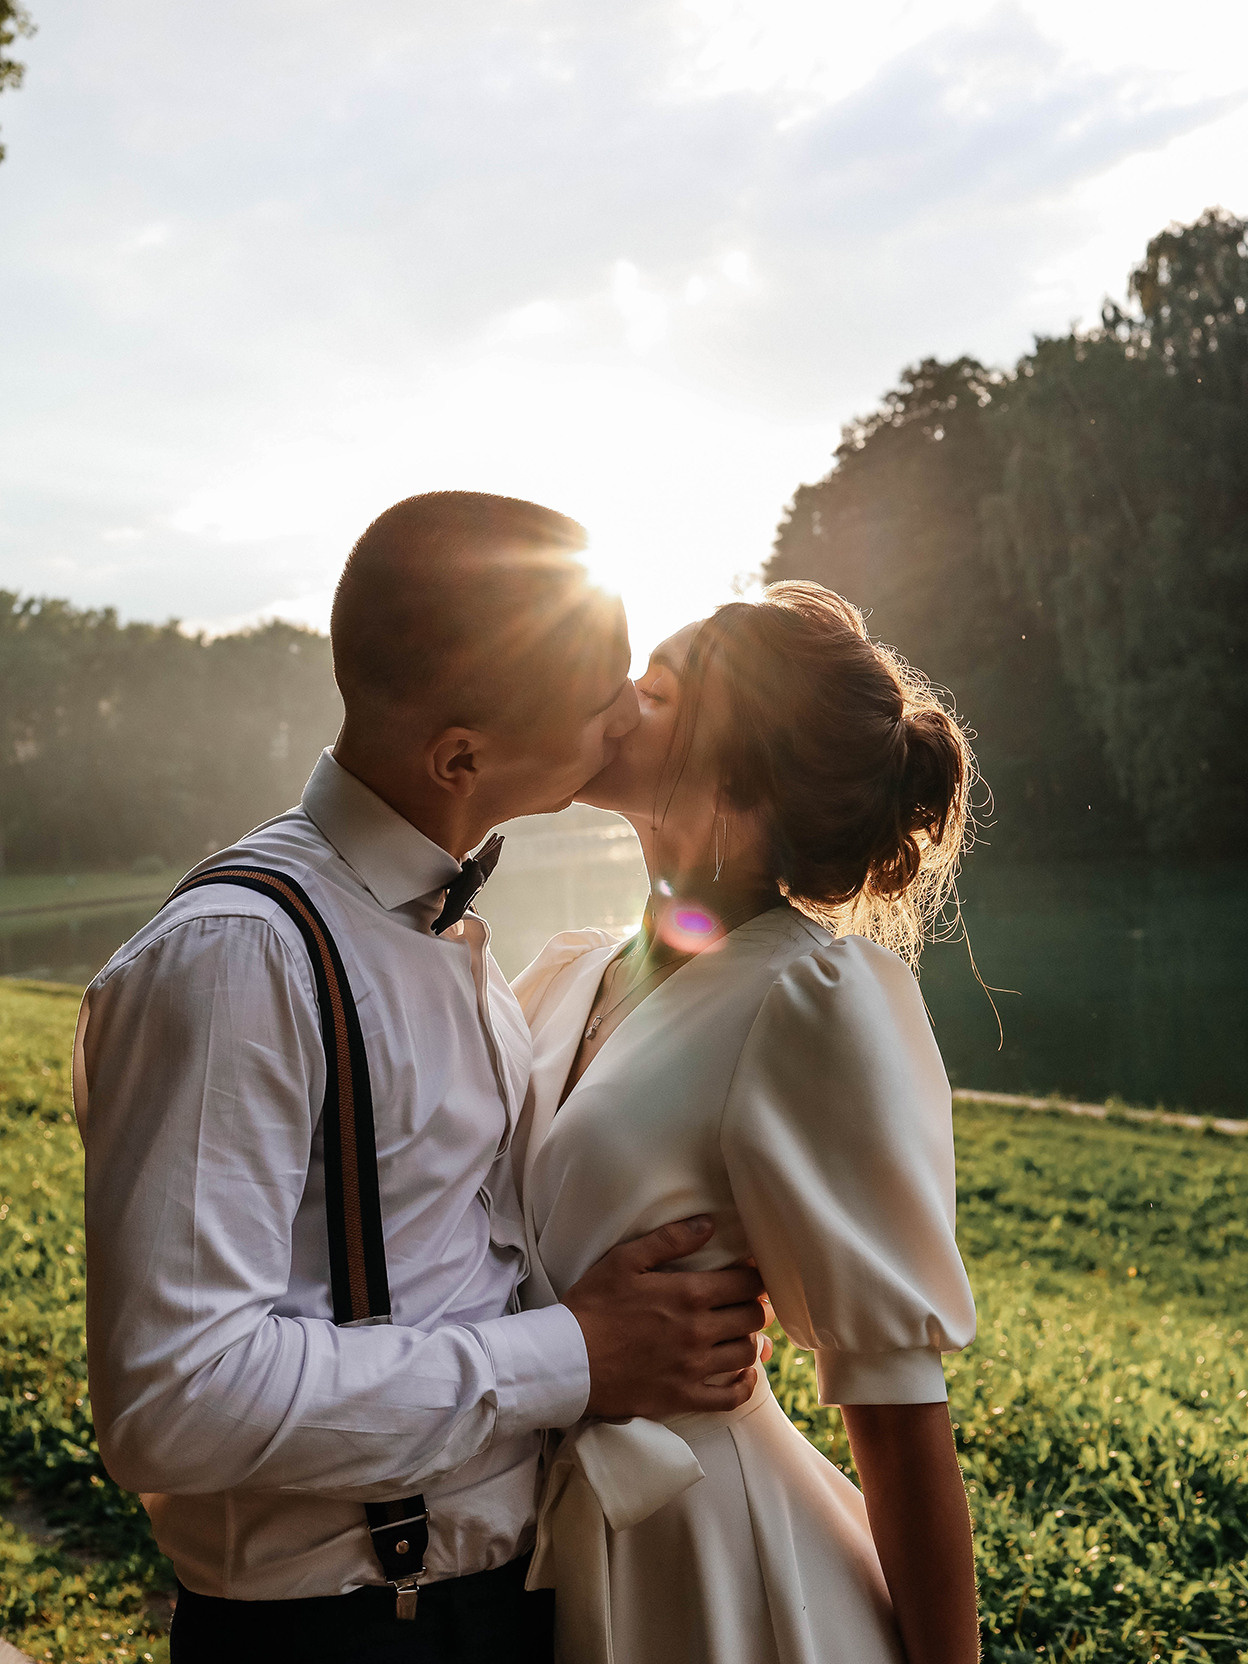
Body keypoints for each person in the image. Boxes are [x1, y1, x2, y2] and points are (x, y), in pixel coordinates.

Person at [74, 492, 768, 1664]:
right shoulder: (240, 957)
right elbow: (174, 1398)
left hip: (493, 1608)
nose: (628, 715)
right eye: (603, 695)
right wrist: (578, 1353)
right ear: (462, 756)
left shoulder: (439, 930)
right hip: (349, 1633)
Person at [512, 583, 981, 1664]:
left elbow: (900, 1409)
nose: (617, 698)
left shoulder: (810, 998)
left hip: (706, 1573)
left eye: (660, 690)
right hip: (515, 1545)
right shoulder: (566, 972)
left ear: (737, 775)